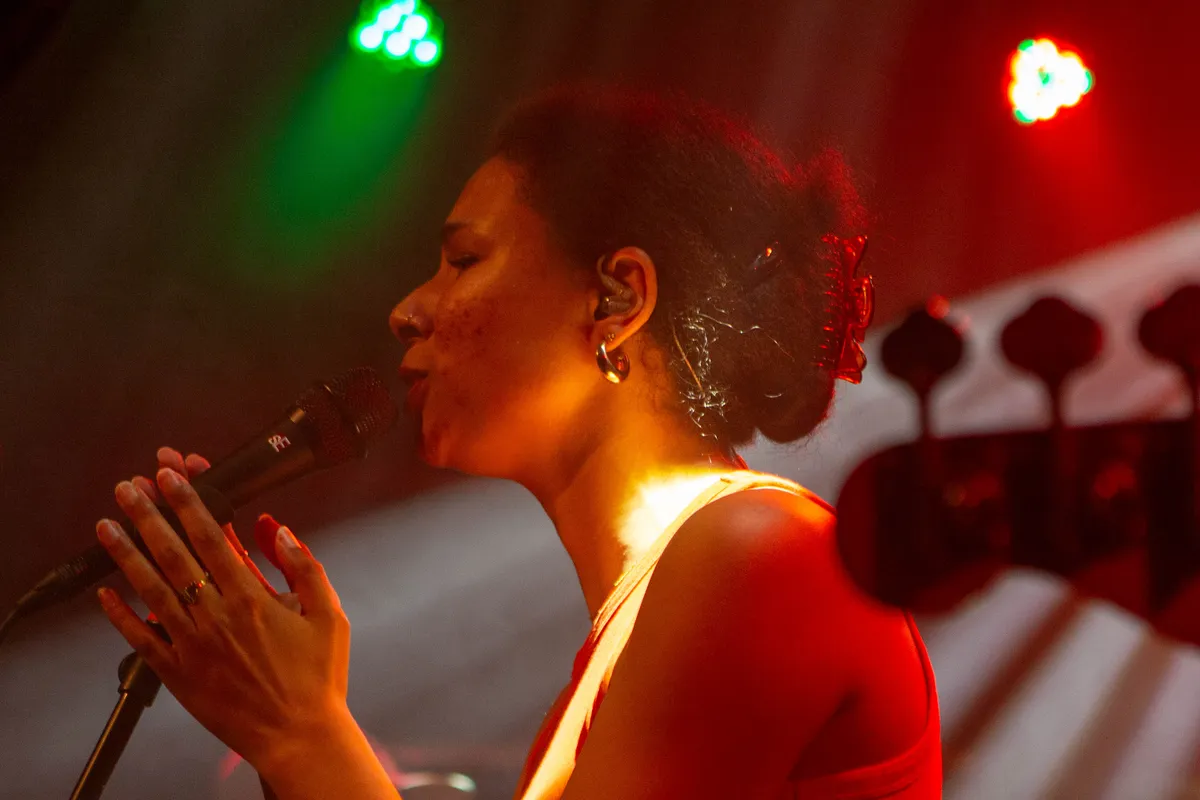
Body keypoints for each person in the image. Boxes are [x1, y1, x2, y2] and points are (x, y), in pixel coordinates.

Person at [94, 86, 941, 799]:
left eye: (464, 260)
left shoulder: (762, 551)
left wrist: (301, 735)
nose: (407, 310)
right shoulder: (616, 657)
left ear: (617, 299)